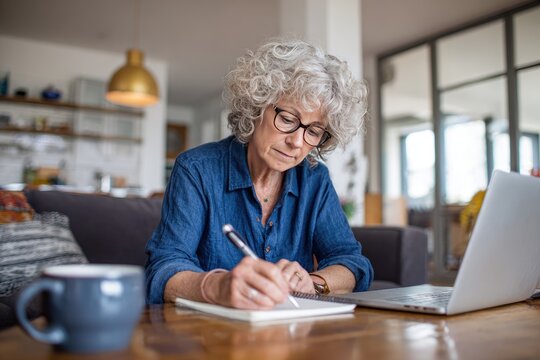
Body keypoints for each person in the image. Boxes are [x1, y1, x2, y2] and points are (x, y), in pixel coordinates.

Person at [145, 38, 373, 309]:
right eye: (288, 119)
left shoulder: (314, 179)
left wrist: (313, 282)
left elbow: (352, 263)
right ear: (255, 108)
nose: (297, 143)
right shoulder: (196, 170)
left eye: (313, 131)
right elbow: (162, 269)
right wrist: (217, 287)